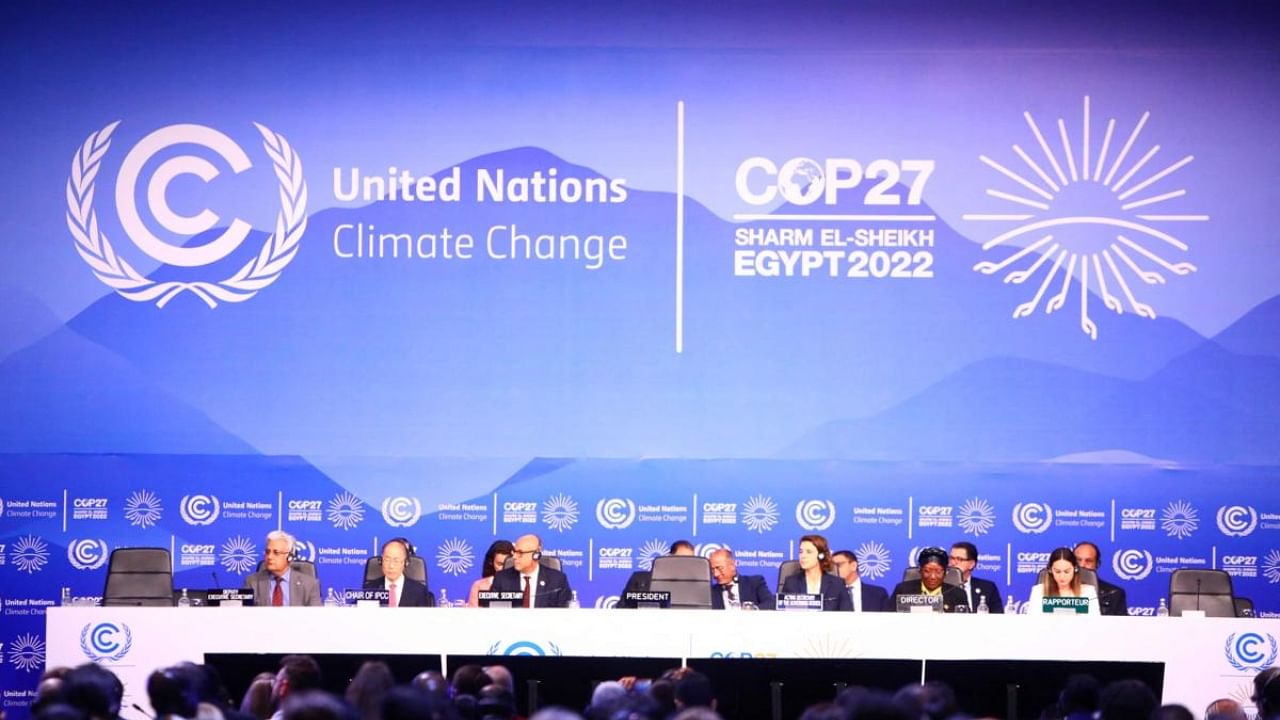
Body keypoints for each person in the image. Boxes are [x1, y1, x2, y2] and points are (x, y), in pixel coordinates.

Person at [489, 534, 573, 608]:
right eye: (514, 552)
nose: (514, 557)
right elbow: (493, 613)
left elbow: (565, 616)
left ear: (536, 555)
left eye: (520, 553)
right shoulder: (501, 579)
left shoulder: (557, 580)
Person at [244, 531, 321, 607]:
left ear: (290, 557)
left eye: (276, 552)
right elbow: (242, 614)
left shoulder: (310, 585)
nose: (269, 557)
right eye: (267, 552)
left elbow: (316, 617)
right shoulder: (252, 582)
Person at [781, 535, 852, 611]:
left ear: (821, 556)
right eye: (801, 552)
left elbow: (847, 615)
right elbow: (784, 614)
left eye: (809, 552)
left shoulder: (837, 584)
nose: (803, 556)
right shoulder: (791, 583)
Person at [890, 547, 968, 612]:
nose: (933, 577)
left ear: (945, 572)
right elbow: (887, 618)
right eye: (927, 571)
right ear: (920, 571)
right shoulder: (903, 590)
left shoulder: (958, 594)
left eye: (938, 571)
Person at [364, 538, 433, 607]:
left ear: (406, 563)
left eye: (396, 561)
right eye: (387, 560)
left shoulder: (419, 591)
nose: (391, 566)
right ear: (381, 561)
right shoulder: (369, 589)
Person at [1029, 547, 1099, 615]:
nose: (1062, 576)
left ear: (1075, 569)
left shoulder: (1088, 592)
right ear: (1050, 570)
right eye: (1057, 571)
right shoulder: (1038, 591)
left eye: (1067, 571)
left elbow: (1095, 622)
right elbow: (1033, 622)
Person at [709, 548, 775, 609]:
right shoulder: (710, 592)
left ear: (732, 565)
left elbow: (771, 603)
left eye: (719, 568)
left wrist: (752, 611)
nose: (715, 574)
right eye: (712, 570)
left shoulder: (755, 583)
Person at [1073, 542, 1128, 616]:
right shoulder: (1056, 589)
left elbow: (1121, 625)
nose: (1082, 565)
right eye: (1078, 560)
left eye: (1088, 561)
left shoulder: (1114, 593)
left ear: (1097, 564)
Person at [949, 542, 1003, 613]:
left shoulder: (988, 588)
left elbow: (998, 616)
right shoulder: (942, 586)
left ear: (971, 564)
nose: (953, 563)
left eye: (959, 559)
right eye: (952, 558)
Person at [468, 540, 515, 607]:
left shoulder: (521, 583)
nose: (503, 568)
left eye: (507, 564)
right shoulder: (479, 586)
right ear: (491, 562)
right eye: (499, 564)